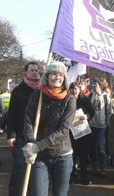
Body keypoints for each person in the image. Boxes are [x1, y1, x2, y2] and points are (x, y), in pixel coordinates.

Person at [23, 61, 76, 196]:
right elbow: (28, 120)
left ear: (64, 78)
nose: (57, 77)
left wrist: (38, 146)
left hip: (62, 156)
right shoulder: (37, 95)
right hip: (40, 157)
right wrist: (30, 143)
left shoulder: (69, 99)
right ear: (47, 76)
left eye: (60, 75)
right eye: (54, 74)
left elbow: (63, 130)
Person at [7, 62, 40, 196]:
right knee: (18, 167)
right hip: (20, 135)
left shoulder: (42, 90)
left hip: (37, 135)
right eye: (32, 70)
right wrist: (11, 134)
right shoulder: (18, 90)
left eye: (36, 70)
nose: (34, 72)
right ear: (26, 72)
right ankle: (14, 193)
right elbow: (11, 114)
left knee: (34, 169)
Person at [69, 82, 95, 185]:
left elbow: (92, 112)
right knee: (72, 156)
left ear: (79, 90)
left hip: (83, 133)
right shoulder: (67, 100)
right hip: (70, 134)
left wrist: (87, 116)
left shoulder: (85, 100)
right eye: (72, 89)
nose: (74, 91)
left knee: (83, 156)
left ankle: (84, 177)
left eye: (75, 89)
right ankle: (72, 176)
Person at [87, 77, 112, 177]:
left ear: (100, 86)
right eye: (92, 84)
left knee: (101, 148)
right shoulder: (89, 95)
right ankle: (94, 166)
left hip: (102, 127)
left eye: (95, 84)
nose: (93, 86)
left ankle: (103, 168)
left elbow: (109, 112)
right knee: (93, 148)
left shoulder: (106, 97)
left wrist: (109, 125)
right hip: (91, 126)